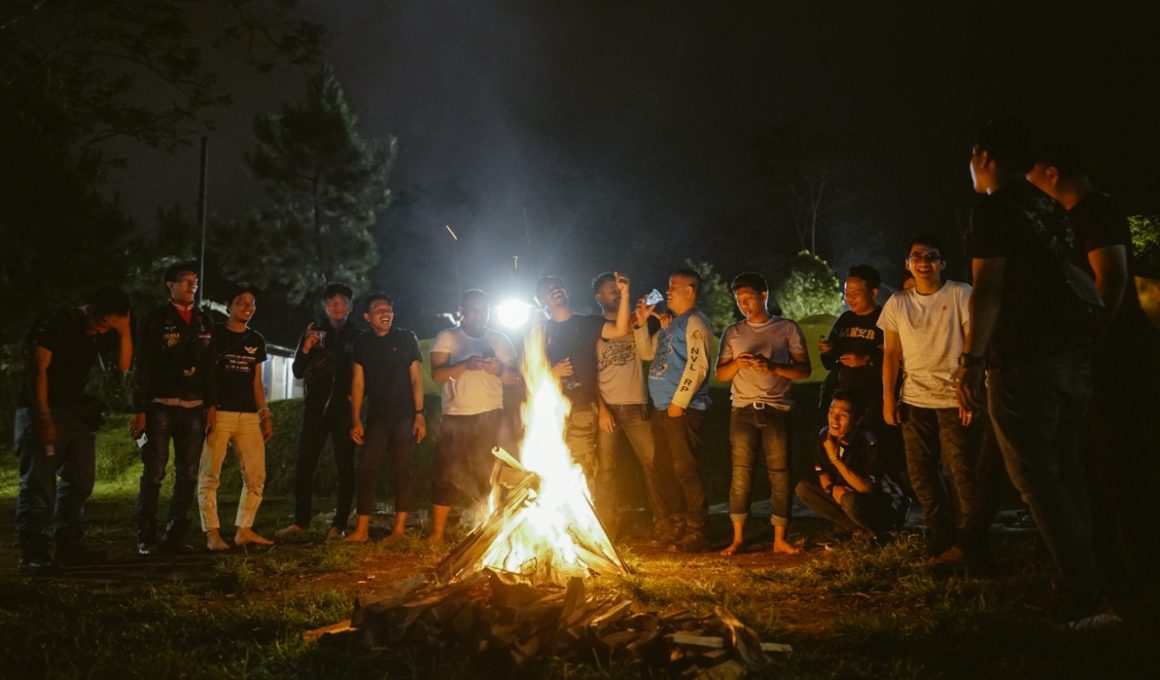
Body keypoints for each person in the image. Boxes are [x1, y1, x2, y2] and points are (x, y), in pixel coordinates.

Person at [957, 118, 1103, 624]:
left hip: (1026, 359)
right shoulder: (1048, 206)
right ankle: (1091, 576)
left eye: (973, 155)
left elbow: (988, 289)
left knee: (1036, 477)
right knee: (1066, 469)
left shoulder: (994, 208)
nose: (971, 165)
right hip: (1072, 355)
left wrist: (972, 361)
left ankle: (1081, 592)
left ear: (986, 156)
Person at [1027, 136, 1160, 625]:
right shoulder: (1075, 216)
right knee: (1098, 471)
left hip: (1115, 362)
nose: (1029, 180)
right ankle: (1116, 585)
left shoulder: (1095, 211)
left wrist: (1088, 340)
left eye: (1033, 171)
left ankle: (1137, 592)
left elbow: (1112, 277)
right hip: (1099, 360)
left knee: (1123, 471)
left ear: (1053, 172)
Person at [15, 288, 133, 572]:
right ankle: (33, 553)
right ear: (88, 309)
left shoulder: (98, 332)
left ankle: (69, 545)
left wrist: (125, 331)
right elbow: (37, 369)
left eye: (109, 326)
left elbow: (122, 367)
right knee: (39, 483)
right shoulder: (54, 323)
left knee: (80, 480)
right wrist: (44, 420)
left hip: (74, 411)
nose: (102, 330)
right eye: (102, 322)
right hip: (41, 409)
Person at [879, 235, 976, 565]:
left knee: (960, 471)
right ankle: (939, 534)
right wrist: (889, 398)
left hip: (953, 398)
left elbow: (972, 340)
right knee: (920, 473)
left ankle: (970, 539)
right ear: (908, 263)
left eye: (931, 256)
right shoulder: (898, 303)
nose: (924, 262)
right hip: (914, 399)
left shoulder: (960, 293)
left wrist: (970, 386)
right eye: (917, 256)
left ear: (942, 263)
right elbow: (891, 354)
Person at [716, 272, 811, 556]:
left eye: (748, 298)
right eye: (739, 300)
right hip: (742, 410)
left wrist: (772, 367)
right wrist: (737, 363)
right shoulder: (733, 332)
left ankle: (780, 539)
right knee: (740, 474)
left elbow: (804, 370)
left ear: (764, 296)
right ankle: (737, 538)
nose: (744, 305)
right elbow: (721, 374)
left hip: (777, 409)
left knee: (780, 475)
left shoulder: (787, 328)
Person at [131, 262, 216, 555]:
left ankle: (176, 533)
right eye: (186, 280)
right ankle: (146, 535)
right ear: (170, 285)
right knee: (154, 472)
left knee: (188, 473)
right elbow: (142, 365)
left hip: (194, 407)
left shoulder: (204, 321)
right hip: (160, 406)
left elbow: (210, 367)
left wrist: (211, 404)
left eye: (195, 280)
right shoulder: (155, 320)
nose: (193, 285)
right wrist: (140, 409)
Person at [427, 289, 518, 544]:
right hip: (456, 415)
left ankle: (487, 529)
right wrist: (465, 364)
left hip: (490, 414)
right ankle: (437, 533)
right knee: (445, 473)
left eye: (483, 309)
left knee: (488, 473)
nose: (479, 313)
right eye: (474, 309)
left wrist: (496, 369)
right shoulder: (448, 337)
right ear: (462, 310)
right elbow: (437, 376)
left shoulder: (499, 339)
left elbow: (514, 378)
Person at [634, 267, 714, 552]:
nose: (667, 291)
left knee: (685, 469)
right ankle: (677, 524)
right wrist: (641, 323)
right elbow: (646, 353)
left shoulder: (696, 322)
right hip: (663, 409)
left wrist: (679, 403)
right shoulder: (670, 325)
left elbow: (698, 365)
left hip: (683, 409)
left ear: (689, 291)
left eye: (673, 286)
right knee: (665, 468)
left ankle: (698, 529)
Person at [278, 282, 359, 540]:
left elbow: (365, 373)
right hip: (315, 407)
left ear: (349, 306)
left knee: (345, 465)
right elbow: (297, 371)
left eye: (342, 301)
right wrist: (305, 348)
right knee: (305, 462)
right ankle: (301, 520)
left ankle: (340, 524)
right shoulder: (313, 332)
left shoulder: (357, 335)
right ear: (325, 306)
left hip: (344, 408)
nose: (337, 306)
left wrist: (357, 399)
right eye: (332, 302)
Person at [534, 273, 631, 488]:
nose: (555, 290)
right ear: (542, 301)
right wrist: (552, 371)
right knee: (552, 462)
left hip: (582, 406)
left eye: (558, 286)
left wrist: (624, 295)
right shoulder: (540, 333)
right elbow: (528, 374)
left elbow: (620, 330)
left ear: (567, 291)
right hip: (550, 408)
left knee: (580, 462)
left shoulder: (587, 323)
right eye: (548, 290)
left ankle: (585, 504)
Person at [197, 284, 274, 551]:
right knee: (210, 475)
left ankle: (244, 530)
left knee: (256, 475)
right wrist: (209, 407)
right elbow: (206, 373)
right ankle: (212, 534)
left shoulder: (256, 340)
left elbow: (256, 382)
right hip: (219, 412)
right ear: (228, 305)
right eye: (241, 302)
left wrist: (264, 414)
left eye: (252, 303)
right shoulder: (214, 334)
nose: (248, 307)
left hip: (249, 415)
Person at [346, 294, 426, 544]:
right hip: (377, 416)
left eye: (388, 309)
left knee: (403, 469)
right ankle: (361, 531)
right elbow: (358, 382)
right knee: (367, 468)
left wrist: (420, 414)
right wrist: (355, 419)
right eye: (379, 309)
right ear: (367, 317)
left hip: (404, 414)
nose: (385, 313)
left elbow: (416, 378)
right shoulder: (362, 343)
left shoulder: (406, 338)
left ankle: (399, 530)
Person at [591, 272, 659, 539]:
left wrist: (643, 323)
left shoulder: (635, 321)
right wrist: (601, 408)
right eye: (612, 290)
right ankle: (607, 528)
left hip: (635, 404)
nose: (617, 293)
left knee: (653, 466)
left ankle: (664, 523)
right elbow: (587, 373)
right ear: (599, 297)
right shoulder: (594, 328)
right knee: (606, 470)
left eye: (619, 289)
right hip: (607, 407)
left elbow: (647, 353)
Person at [795, 389, 908, 539]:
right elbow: (822, 472)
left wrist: (835, 459)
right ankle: (858, 530)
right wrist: (831, 489)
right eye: (831, 412)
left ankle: (883, 531)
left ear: (858, 420)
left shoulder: (870, 442)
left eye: (842, 415)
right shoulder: (825, 435)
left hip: (884, 502)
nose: (834, 419)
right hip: (848, 495)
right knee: (803, 488)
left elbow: (866, 487)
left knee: (849, 500)